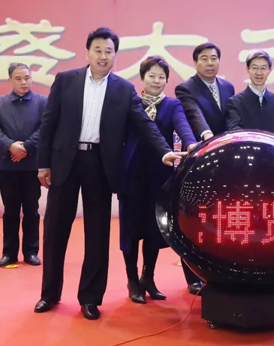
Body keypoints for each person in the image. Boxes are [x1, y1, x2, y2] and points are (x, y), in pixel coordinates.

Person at [34, 27, 184, 320]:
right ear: (87, 52)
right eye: (98, 50)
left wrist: (164, 151)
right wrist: (43, 163)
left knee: (97, 234)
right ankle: (49, 294)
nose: (103, 56)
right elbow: (48, 123)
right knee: (55, 231)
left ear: (115, 55)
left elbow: (144, 124)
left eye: (109, 51)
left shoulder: (123, 89)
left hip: (100, 165)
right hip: (65, 162)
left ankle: (90, 298)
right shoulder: (65, 80)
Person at [119, 56, 197, 304]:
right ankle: (132, 280)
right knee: (131, 230)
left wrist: (191, 144)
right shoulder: (130, 103)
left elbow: (183, 126)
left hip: (159, 175)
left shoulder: (172, 105)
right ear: (142, 78)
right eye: (151, 76)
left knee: (154, 230)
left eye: (161, 77)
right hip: (131, 175)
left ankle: (148, 278)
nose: (156, 81)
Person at [175, 42, 235, 294]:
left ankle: (220, 268)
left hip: (225, 162)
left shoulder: (228, 87)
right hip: (200, 158)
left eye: (214, 58)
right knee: (194, 218)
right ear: (195, 62)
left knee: (220, 218)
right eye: (204, 58)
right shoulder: (185, 88)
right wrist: (208, 136)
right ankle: (193, 276)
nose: (210, 63)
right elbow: (194, 114)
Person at [0, 63, 47, 268]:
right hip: (8, 165)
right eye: (18, 78)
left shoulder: (42, 101)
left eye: (27, 78)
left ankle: (31, 252)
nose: (24, 82)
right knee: (10, 210)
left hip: (32, 164)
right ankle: (9, 253)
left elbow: (45, 128)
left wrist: (26, 147)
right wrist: (11, 146)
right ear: (10, 80)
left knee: (32, 210)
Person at [225, 50, 274, 134]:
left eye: (263, 68)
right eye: (254, 68)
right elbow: (234, 132)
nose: (259, 73)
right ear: (247, 69)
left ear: (270, 70)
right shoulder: (234, 102)